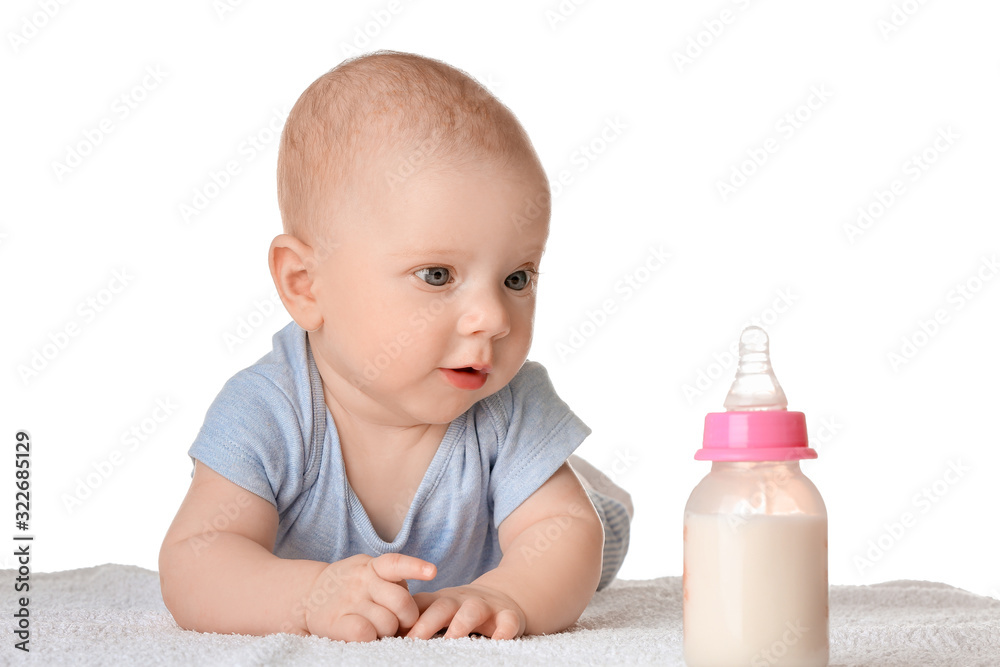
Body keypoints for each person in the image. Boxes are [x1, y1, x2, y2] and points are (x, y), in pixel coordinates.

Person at [159, 50, 632, 643]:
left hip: (553, 521)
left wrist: (506, 593)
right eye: (437, 275)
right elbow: (197, 559)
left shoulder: (509, 404)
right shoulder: (269, 411)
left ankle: (587, 487)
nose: (492, 319)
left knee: (588, 523)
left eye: (517, 278)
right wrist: (310, 596)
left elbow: (561, 529)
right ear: (306, 286)